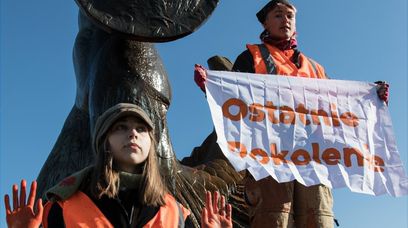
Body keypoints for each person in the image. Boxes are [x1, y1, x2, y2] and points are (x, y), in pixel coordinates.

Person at [194, 1, 389, 227]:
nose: (285, 19)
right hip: (270, 158)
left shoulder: (316, 69)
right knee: (274, 218)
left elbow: (338, 110)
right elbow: (232, 100)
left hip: (313, 161)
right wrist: (210, 88)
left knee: (319, 218)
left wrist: (370, 99)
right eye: (278, 15)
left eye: (289, 15)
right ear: (265, 22)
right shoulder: (251, 58)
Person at [4, 103, 233, 228]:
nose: (132, 134)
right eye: (120, 127)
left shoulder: (176, 213)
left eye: (141, 129)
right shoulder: (64, 206)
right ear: (105, 142)